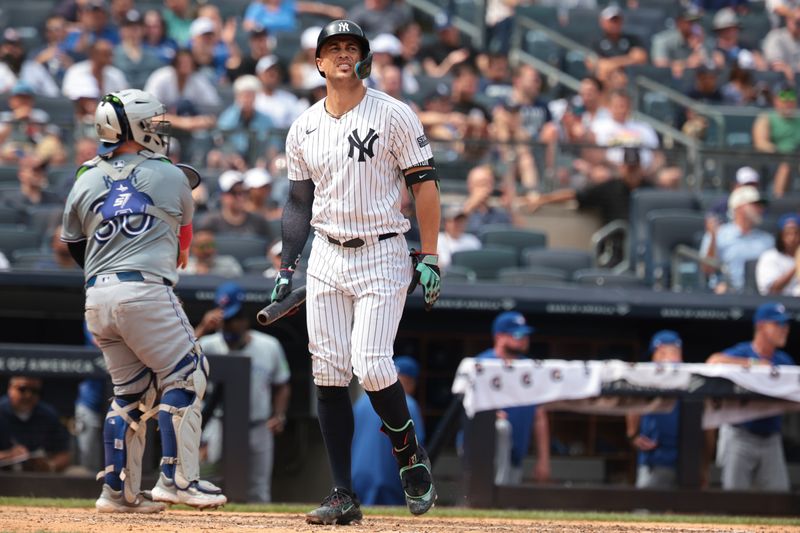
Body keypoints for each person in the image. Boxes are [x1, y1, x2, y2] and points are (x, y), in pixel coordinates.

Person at [270, 19, 441, 525]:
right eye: (333, 48)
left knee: (370, 363)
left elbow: (425, 186)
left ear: (363, 59)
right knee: (327, 370)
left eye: (352, 47)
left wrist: (429, 254)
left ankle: (410, 458)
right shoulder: (302, 125)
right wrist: (286, 264)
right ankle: (343, 493)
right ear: (318, 61)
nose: (343, 54)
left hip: (383, 249)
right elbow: (299, 203)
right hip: (325, 252)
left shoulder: (394, 114)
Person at [60, 88, 226, 512]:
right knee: (188, 373)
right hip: (144, 290)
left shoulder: (84, 176)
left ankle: (117, 491)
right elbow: (183, 238)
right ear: (133, 127)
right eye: (151, 123)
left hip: (97, 297)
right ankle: (178, 478)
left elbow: (75, 245)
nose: (157, 129)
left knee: (129, 392)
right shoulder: (169, 173)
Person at [195, 281, 291, 503]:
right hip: (218, 426)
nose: (229, 326)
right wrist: (202, 328)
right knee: (210, 484)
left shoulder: (269, 346)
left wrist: (279, 415)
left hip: (257, 426)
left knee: (258, 490)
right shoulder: (208, 344)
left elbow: (282, 384)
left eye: (234, 320)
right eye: (225, 321)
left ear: (244, 319)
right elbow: (178, 359)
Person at [706, 302, 795, 492]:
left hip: (771, 437)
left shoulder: (784, 360)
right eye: (778, 325)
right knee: (734, 497)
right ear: (762, 326)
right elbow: (713, 361)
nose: (784, 330)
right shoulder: (744, 352)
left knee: (779, 498)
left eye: (785, 325)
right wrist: (754, 364)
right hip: (740, 435)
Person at [469, 312, 550, 486]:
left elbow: (539, 416)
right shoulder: (481, 364)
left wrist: (543, 460)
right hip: (483, 452)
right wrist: (489, 414)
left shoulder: (530, 368)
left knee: (506, 504)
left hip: (516, 455)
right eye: (518, 334)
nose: (524, 339)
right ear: (499, 336)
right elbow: (465, 406)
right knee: (501, 427)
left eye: (526, 335)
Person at [351, 356, 425, 506]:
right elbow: (417, 446)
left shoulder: (362, 402)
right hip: (388, 479)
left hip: (357, 475)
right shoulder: (408, 405)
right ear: (411, 382)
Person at [625, 330, 683, 489]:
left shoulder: (689, 375)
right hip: (656, 454)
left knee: (681, 509)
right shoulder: (647, 374)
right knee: (647, 509)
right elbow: (633, 403)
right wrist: (633, 434)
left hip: (682, 455)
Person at [700, 185, 774, 293]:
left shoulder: (768, 240)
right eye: (755, 204)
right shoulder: (717, 234)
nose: (761, 209)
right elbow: (707, 270)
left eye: (762, 205)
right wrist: (713, 238)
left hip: (760, 298)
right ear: (740, 207)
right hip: (725, 298)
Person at [0, 375, 71, 472]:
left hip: (36, 479)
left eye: (34, 391)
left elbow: (64, 455)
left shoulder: (48, 415)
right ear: (10, 388)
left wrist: (50, 466)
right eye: (22, 389)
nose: (28, 395)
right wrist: (9, 455)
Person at [753, 83, 800, 197]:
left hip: (797, 157)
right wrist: (781, 153)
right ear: (776, 100)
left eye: (791, 97)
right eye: (784, 97)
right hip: (774, 159)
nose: (788, 101)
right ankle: (778, 200)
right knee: (786, 165)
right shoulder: (767, 117)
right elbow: (760, 143)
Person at [756, 213, 800, 295]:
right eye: (787, 233)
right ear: (780, 236)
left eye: (796, 233)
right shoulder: (770, 257)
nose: (792, 238)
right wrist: (796, 266)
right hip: (779, 304)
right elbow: (772, 290)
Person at [438, 205, 482, 270]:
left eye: (461, 221)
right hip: (448, 278)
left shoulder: (472, 240)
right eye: (455, 221)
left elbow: (479, 263)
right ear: (446, 222)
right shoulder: (438, 240)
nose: (459, 224)